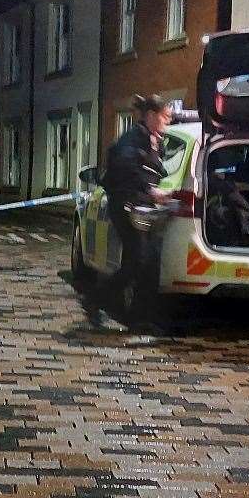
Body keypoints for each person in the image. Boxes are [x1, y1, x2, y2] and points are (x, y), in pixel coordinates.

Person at [83, 94, 172, 327]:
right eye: (165, 117)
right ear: (151, 116)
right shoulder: (132, 140)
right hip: (125, 205)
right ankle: (97, 299)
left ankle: (140, 317)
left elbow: (154, 171)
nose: (167, 122)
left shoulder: (155, 140)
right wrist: (151, 191)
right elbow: (128, 169)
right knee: (137, 262)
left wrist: (160, 191)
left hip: (142, 207)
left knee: (147, 263)